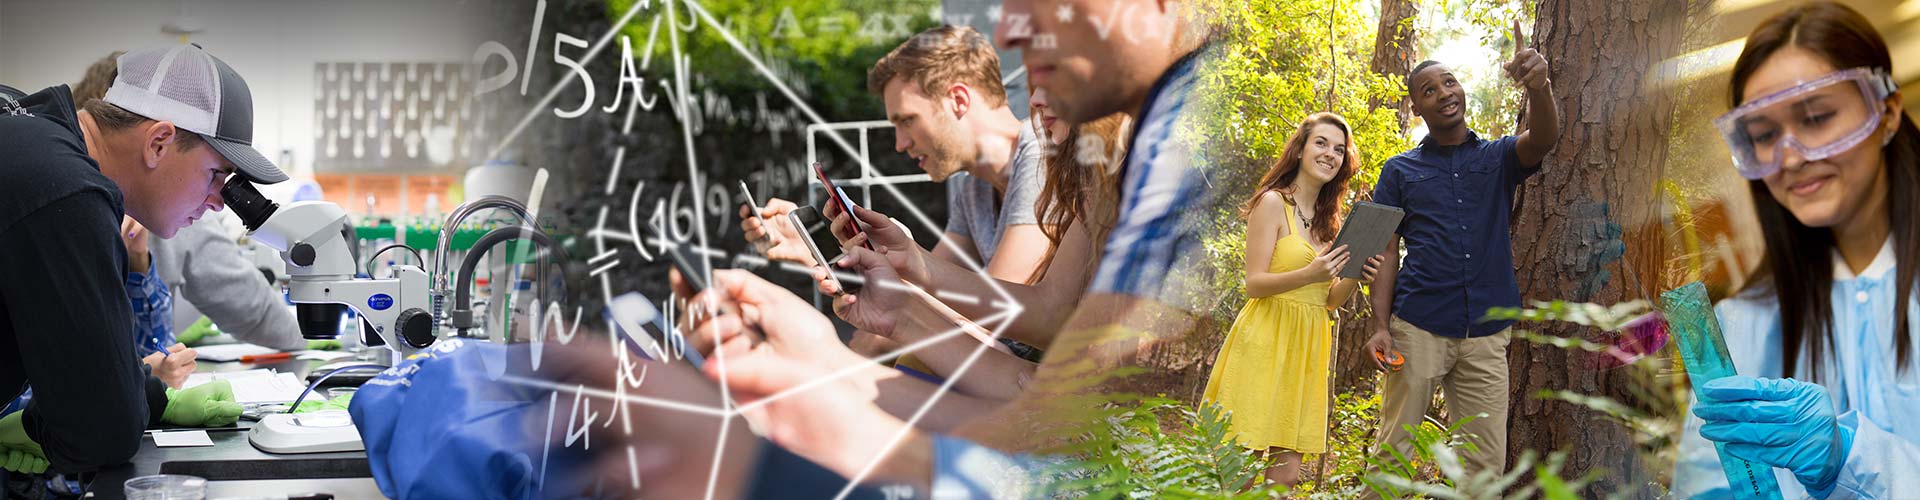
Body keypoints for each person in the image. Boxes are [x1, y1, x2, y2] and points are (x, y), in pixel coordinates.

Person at [679, 0, 1222, 494]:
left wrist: (838, 365)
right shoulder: (1082, 176)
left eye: (905, 121)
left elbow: (1011, 326)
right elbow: (972, 312)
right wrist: (851, 293)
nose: (1033, 97)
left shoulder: (1078, 161)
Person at [1673, 3, 1920, 497]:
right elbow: (1705, 484)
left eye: (1816, 117)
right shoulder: (1745, 321)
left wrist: (1850, 459)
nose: (1790, 157)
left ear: (1887, 113)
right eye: (1764, 136)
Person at [0, 44, 275, 476]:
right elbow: (102, 432)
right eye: (216, 176)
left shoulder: (28, 129)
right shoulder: (67, 190)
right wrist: (46, 424)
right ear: (159, 142)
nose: (220, 203)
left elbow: (93, 367)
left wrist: (151, 397)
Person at [740, 25, 1054, 365]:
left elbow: (993, 309)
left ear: (959, 100)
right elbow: (929, 284)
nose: (900, 143)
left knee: (895, 344)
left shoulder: (1039, 157)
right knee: (884, 339)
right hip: (1013, 366)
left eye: (907, 121)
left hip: (1052, 378)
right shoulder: (974, 186)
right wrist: (819, 252)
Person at [1365, 19, 1560, 480]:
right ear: (1417, 108)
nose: (1444, 92)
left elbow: (1545, 140)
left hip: (1487, 334)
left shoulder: (1497, 157)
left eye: (1449, 81)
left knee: (1485, 465)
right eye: (1429, 90)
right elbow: (1386, 253)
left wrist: (1540, 86)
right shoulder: (1398, 170)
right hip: (1418, 326)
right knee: (1393, 451)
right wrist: (1379, 326)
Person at [1203, 112, 1384, 487]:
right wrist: (1311, 272)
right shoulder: (1273, 203)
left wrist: (1355, 275)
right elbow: (1254, 284)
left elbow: (1328, 300)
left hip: (1306, 349)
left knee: (1283, 480)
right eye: (1321, 143)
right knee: (1241, 473)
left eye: (1339, 149)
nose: (1330, 154)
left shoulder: (1331, 224)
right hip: (1265, 340)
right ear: (1300, 149)